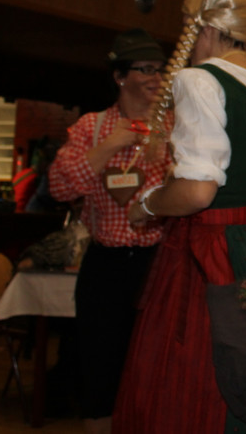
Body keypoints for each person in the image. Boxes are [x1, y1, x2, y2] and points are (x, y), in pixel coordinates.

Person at [112, 0, 246, 433]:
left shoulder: (200, 81)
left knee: (195, 374)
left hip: (209, 253)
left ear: (203, 27)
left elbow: (198, 191)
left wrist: (146, 205)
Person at [48, 28, 171, 434]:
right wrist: (111, 144)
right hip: (104, 266)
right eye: (145, 69)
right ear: (120, 76)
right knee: (99, 369)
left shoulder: (172, 127)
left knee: (153, 368)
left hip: (158, 264)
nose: (156, 77)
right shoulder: (92, 126)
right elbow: (59, 187)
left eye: (161, 69)